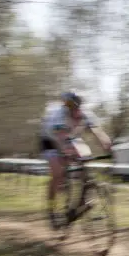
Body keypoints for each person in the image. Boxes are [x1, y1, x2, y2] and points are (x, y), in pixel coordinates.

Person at [39, 91, 112, 229]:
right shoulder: (59, 114)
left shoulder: (84, 113)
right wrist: (67, 152)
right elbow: (60, 138)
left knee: (85, 156)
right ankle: (51, 210)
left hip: (68, 137)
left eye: (75, 107)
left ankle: (81, 201)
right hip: (49, 140)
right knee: (57, 173)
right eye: (69, 107)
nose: (72, 110)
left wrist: (106, 143)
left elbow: (97, 130)